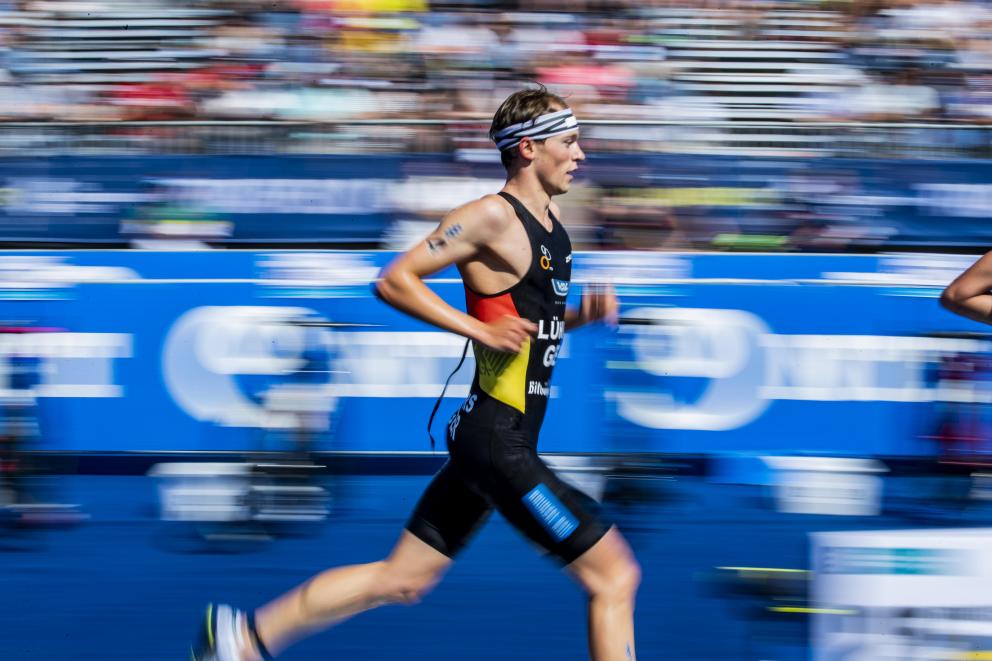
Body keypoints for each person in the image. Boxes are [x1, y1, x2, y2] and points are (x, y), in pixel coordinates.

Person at [192, 85, 641, 661]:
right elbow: (395, 279)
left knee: (402, 579)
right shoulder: (490, 216)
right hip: (498, 442)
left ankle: (242, 642)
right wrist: (476, 331)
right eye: (571, 143)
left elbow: (528, 334)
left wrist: (580, 316)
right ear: (529, 148)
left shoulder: (553, 228)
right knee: (614, 577)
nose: (581, 155)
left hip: (495, 439)